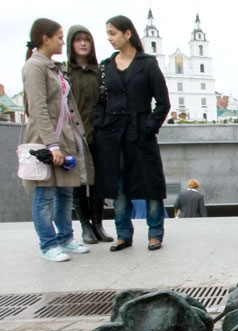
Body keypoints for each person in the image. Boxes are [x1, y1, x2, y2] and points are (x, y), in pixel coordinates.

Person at [92, 15, 170, 252]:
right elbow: (99, 102)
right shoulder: (106, 66)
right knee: (118, 186)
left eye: (113, 33)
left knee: (151, 184)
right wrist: (101, 124)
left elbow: (163, 103)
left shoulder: (147, 64)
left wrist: (149, 126)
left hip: (141, 134)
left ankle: (155, 234)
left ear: (127, 34)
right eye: (107, 34)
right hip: (112, 135)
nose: (109, 38)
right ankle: (123, 234)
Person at [21, 18, 91, 262]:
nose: (63, 42)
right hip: (46, 140)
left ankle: (65, 238)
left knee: (65, 192)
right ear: (45, 38)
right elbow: (38, 108)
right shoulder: (35, 66)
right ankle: (48, 244)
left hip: (65, 138)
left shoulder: (55, 67)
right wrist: (51, 144)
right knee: (45, 194)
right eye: (60, 37)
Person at [65, 24, 112, 244]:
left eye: (87, 40)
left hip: (97, 135)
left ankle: (98, 224)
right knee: (77, 184)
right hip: (74, 136)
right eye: (78, 40)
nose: (83, 44)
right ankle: (85, 226)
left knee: (97, 183)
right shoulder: (65, 72)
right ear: (71, 44)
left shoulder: (99, 72)